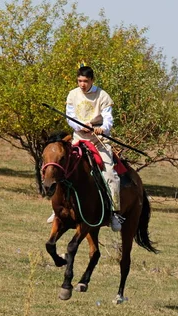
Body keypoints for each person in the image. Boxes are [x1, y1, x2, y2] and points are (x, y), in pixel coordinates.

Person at [47, 66, 123, 232]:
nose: (82, 84)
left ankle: (114, 213)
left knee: (111, 174)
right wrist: (80, 127)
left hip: (98, 141)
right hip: (78, 139)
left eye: (85, 81)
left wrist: (102, 128)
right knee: (61, 169)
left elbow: (109, 118)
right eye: (79, 81)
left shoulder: (102, 96)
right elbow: (70, 117)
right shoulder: (73, 94)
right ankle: (57, 209)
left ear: (92, 80)